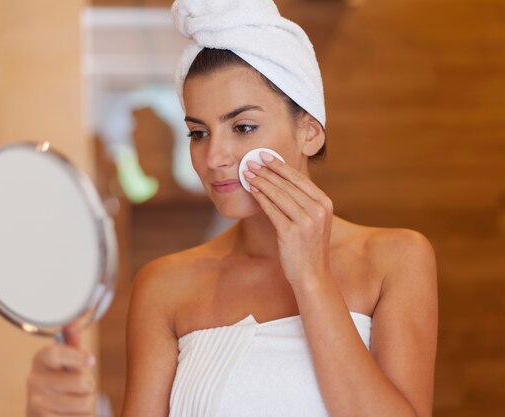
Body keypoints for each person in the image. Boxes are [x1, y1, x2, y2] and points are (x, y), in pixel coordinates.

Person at [26, 1, 438, 416]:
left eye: (242, 127)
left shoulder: (395, 260)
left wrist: (311, 277)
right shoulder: (164, 286)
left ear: (309, 132)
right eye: (199, 133)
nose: (214, 157)